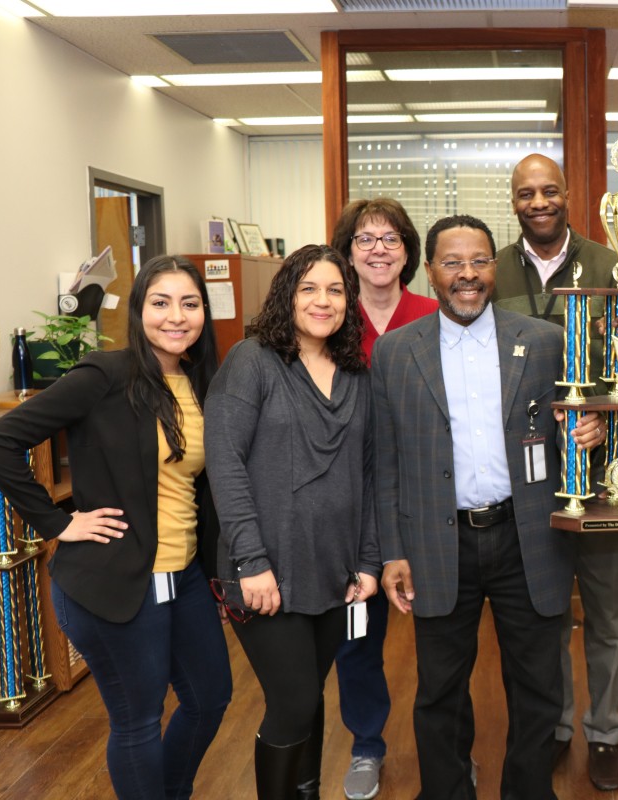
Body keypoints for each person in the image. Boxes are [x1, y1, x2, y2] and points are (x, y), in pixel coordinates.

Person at [374, 214, 604, 799]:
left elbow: (569, 430)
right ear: (429, 272)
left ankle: (528, 791)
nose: (468, 275)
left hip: (527, 536)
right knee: (439, 691)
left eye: (479, 261)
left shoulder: (545, 342)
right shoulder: (396, 353)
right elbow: (387, 461)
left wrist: (589, 433)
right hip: (437, 541)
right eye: (453, 263)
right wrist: (392, 551)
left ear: (494, 267)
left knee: (538, 687)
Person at [0, 256, 232, 799]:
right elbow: (4, 441)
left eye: (190, 304)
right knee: (138, 721)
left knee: (210, 698)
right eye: (160, 302)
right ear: (138, 310)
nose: (177, 316)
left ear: (204, 313)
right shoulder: (105, 374)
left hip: (185, 577)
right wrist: (57, 522)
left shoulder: (199, 382)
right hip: (116, 582)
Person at [205, 244, 380, 800]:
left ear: (349, 300)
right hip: (264, 569)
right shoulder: (253, 360)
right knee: (294, 700)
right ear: (287, 295)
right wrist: (251, 560)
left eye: (334, 290)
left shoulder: (355, 373)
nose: (322, 301)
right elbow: (224, 463)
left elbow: (369, 474)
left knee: (310, 693)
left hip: (332, 569)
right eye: (309, 288)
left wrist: (368, 561)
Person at [493, 153, 618, 790]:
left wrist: (608, 417)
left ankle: (603, 732)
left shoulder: (612, 265)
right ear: (514, 202)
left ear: (569, 193)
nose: (539, 202)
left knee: (608, 612)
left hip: (603, 472)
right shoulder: (492, 270)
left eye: (549, 190)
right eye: (526, 193)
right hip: (525, 476)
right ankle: (553, 725)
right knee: (543, 611)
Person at [329, 196, 438, 800]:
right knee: (358, 637)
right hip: (351, 509)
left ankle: (446, 749)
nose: (378, 249)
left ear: (408, 251)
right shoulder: (328, 316)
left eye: (390, 238)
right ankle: (367, 744)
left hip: (425, 500)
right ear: (348, 252)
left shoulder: (433, 313)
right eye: (365, 239)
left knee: (442, 638)